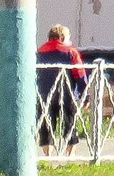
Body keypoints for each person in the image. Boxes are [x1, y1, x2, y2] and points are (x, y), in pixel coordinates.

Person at [37, 25, 88, 155]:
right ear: (63, 37)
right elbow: (80, 74)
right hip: (67, 95)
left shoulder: (40, 52)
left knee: (47, 126)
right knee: (70, 124)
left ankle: (48, 156)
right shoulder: (71, 52)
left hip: (45, 95)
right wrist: (84, 95)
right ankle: (69, 156)